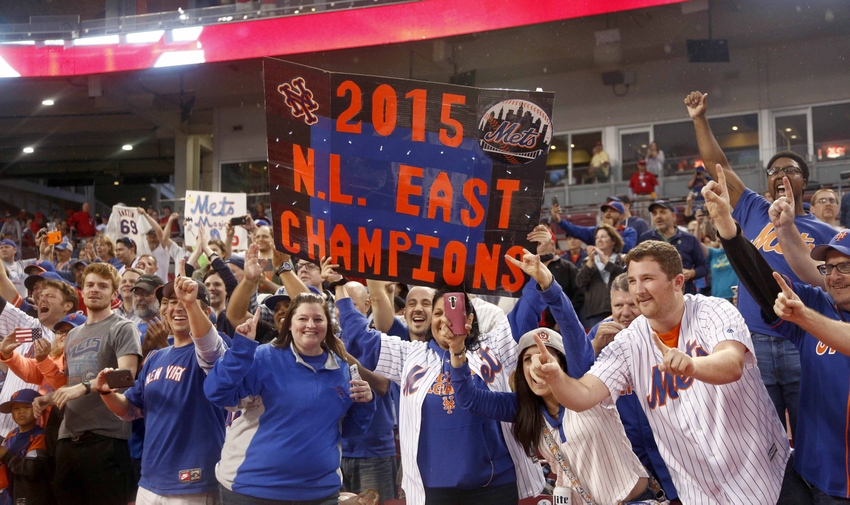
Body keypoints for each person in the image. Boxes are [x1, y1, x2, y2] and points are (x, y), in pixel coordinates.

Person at [531, 239, 789, 503]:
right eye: (632, 281)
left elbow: (732, 364)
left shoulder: (712, 310)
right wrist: (556, 378)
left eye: (647, 279)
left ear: (678, 282)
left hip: (763, 473)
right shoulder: (629, 341)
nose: (638, 290)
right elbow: (583, 396)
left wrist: (693, 365)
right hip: (700, 491)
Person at [685, 90, 836, 443]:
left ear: (804, 181)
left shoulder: (827, 233)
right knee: (762, 435)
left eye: (791, 170)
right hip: (754, 338)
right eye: (774, 170)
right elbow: (717, 166)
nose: (781, 174)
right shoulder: (752, 208)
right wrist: (699, 119)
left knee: (810, 429)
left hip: (804, 338)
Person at [451, 251, 656, 504]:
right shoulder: (524, 407)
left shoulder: (584, 382)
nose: (538, 364)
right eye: (528, 359)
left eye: (547, 356)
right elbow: (469, 399)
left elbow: (570, 325)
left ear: (562, 364)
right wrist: (457, 351)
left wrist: (548, 284)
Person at [337, 285, 545, 505]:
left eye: (453, 311)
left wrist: (539, 276)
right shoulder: (410, 355)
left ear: (470, 317)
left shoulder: (492, 347)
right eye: (438, 313)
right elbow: (360, 339)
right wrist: (340, 289)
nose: (445, 319)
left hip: (495, 486)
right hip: (434, 490)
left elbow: (527, 310)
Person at [204, 295, 376, 504]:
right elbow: (217, 393)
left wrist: (366, 404)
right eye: (302, 319)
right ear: (290, 323)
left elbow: (350, 431)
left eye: (318, 319)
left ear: (327, 325)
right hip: (254, 489)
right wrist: (241, 349)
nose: (310, 325)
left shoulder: (341, 368)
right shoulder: (263, 357)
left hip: (319, 491)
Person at [96, 276, 226, 505]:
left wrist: (190, 302)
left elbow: (209, 347)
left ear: (205, 311)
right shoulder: (156, 357)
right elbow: (130, 410)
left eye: (185, 301)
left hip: (193, 480)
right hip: (151, 479)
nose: (177, 307)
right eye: (170, 302)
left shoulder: (214, 348)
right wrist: (107, 393)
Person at [33, 262, 142, 505]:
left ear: (114, 294)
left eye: (103, 286)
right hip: (68, 438)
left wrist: (80, 388)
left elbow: (125, 376)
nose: (95, 289)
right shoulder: (72, 334)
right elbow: (75, 382)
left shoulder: (123, 327)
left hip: (106, 438)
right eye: (90, 284)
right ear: (82, 290)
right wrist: (49, 398)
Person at [586, 273, 678, 501]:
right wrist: (593, 348)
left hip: (669, 441)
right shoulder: (599, 334)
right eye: (618, 305)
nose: (625, 313)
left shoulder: (662, 329)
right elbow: (577, 384)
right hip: (625, 449)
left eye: (632, 304)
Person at [638, 200, 708, 295]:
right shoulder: (645, 239)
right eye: (655, 213)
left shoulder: (690, 239)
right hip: (654, 294)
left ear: (673, 216)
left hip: (684, 294)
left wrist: (692, 273)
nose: (658, 216)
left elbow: (704, 267)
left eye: (662, 212)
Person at [0, 389, 51, 505]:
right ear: (12, 415)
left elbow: (32, 468)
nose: (21, 411)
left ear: (38, 409)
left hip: (28, 499)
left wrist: (6, 455)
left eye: (27, 407)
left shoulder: (40, 436)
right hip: (7, 497)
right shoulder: (10, 435)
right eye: (16, 408)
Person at [576, 224, 624, 329]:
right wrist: (590, 263)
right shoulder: (586, 261)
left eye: (603, 237)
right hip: (595, 311)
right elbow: (580, 283)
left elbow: (624, 277)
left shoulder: (621, 259)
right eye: (597, 238)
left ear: (613, 241)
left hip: (621, 308)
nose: (599, 240)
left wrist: (607, 263)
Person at [550, 200, 638, 254]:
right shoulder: (596, 231)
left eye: (612, 211)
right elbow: (575, 230)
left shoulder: (629, 231)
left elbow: (626, 248)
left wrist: (609, 228)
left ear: (621, 216)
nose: (607, 213)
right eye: (606, 211)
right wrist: (559, 220)